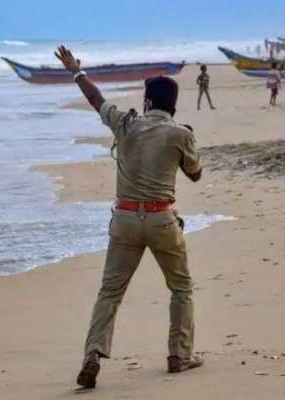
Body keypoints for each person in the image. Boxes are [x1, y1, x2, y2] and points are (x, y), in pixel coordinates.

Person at [53, 45, 204, 390]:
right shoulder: (180, 134)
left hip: (123, 220)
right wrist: (187, 142)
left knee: (110, 292)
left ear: (148, 102)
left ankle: (93, 354)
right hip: (162, 220)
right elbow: (195, 174)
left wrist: (75, 70)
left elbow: (95, 99)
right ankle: (179, 356)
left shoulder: (125, 123)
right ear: (172, 106)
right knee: (180, 288)